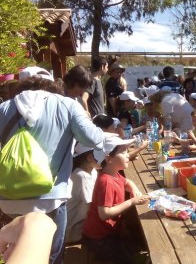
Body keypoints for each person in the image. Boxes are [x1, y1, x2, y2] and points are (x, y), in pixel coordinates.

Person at [0, 78, 104, 264]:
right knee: (53, 257)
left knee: (20, 250)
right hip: (51, 199)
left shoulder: (4, 108)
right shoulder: (67, 104)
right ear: (53, 87)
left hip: (8, 198)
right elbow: (94, 139)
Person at [82, 136, 150, 264]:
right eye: (123, 152)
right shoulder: (106, 181)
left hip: (110, 231)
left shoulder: (114, 173)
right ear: (108, 158)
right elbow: (104, 214)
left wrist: (134, 190)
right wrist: (131, 201)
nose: (127, 155)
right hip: (98, 238)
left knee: (134, 240)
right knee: (128, 259)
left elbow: (127, 182)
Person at [65, 143, 100, 244]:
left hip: (83, 223)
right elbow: (92, 206)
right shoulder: (81, 176)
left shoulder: (92, 171)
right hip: (75, 231)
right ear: (89, 158)